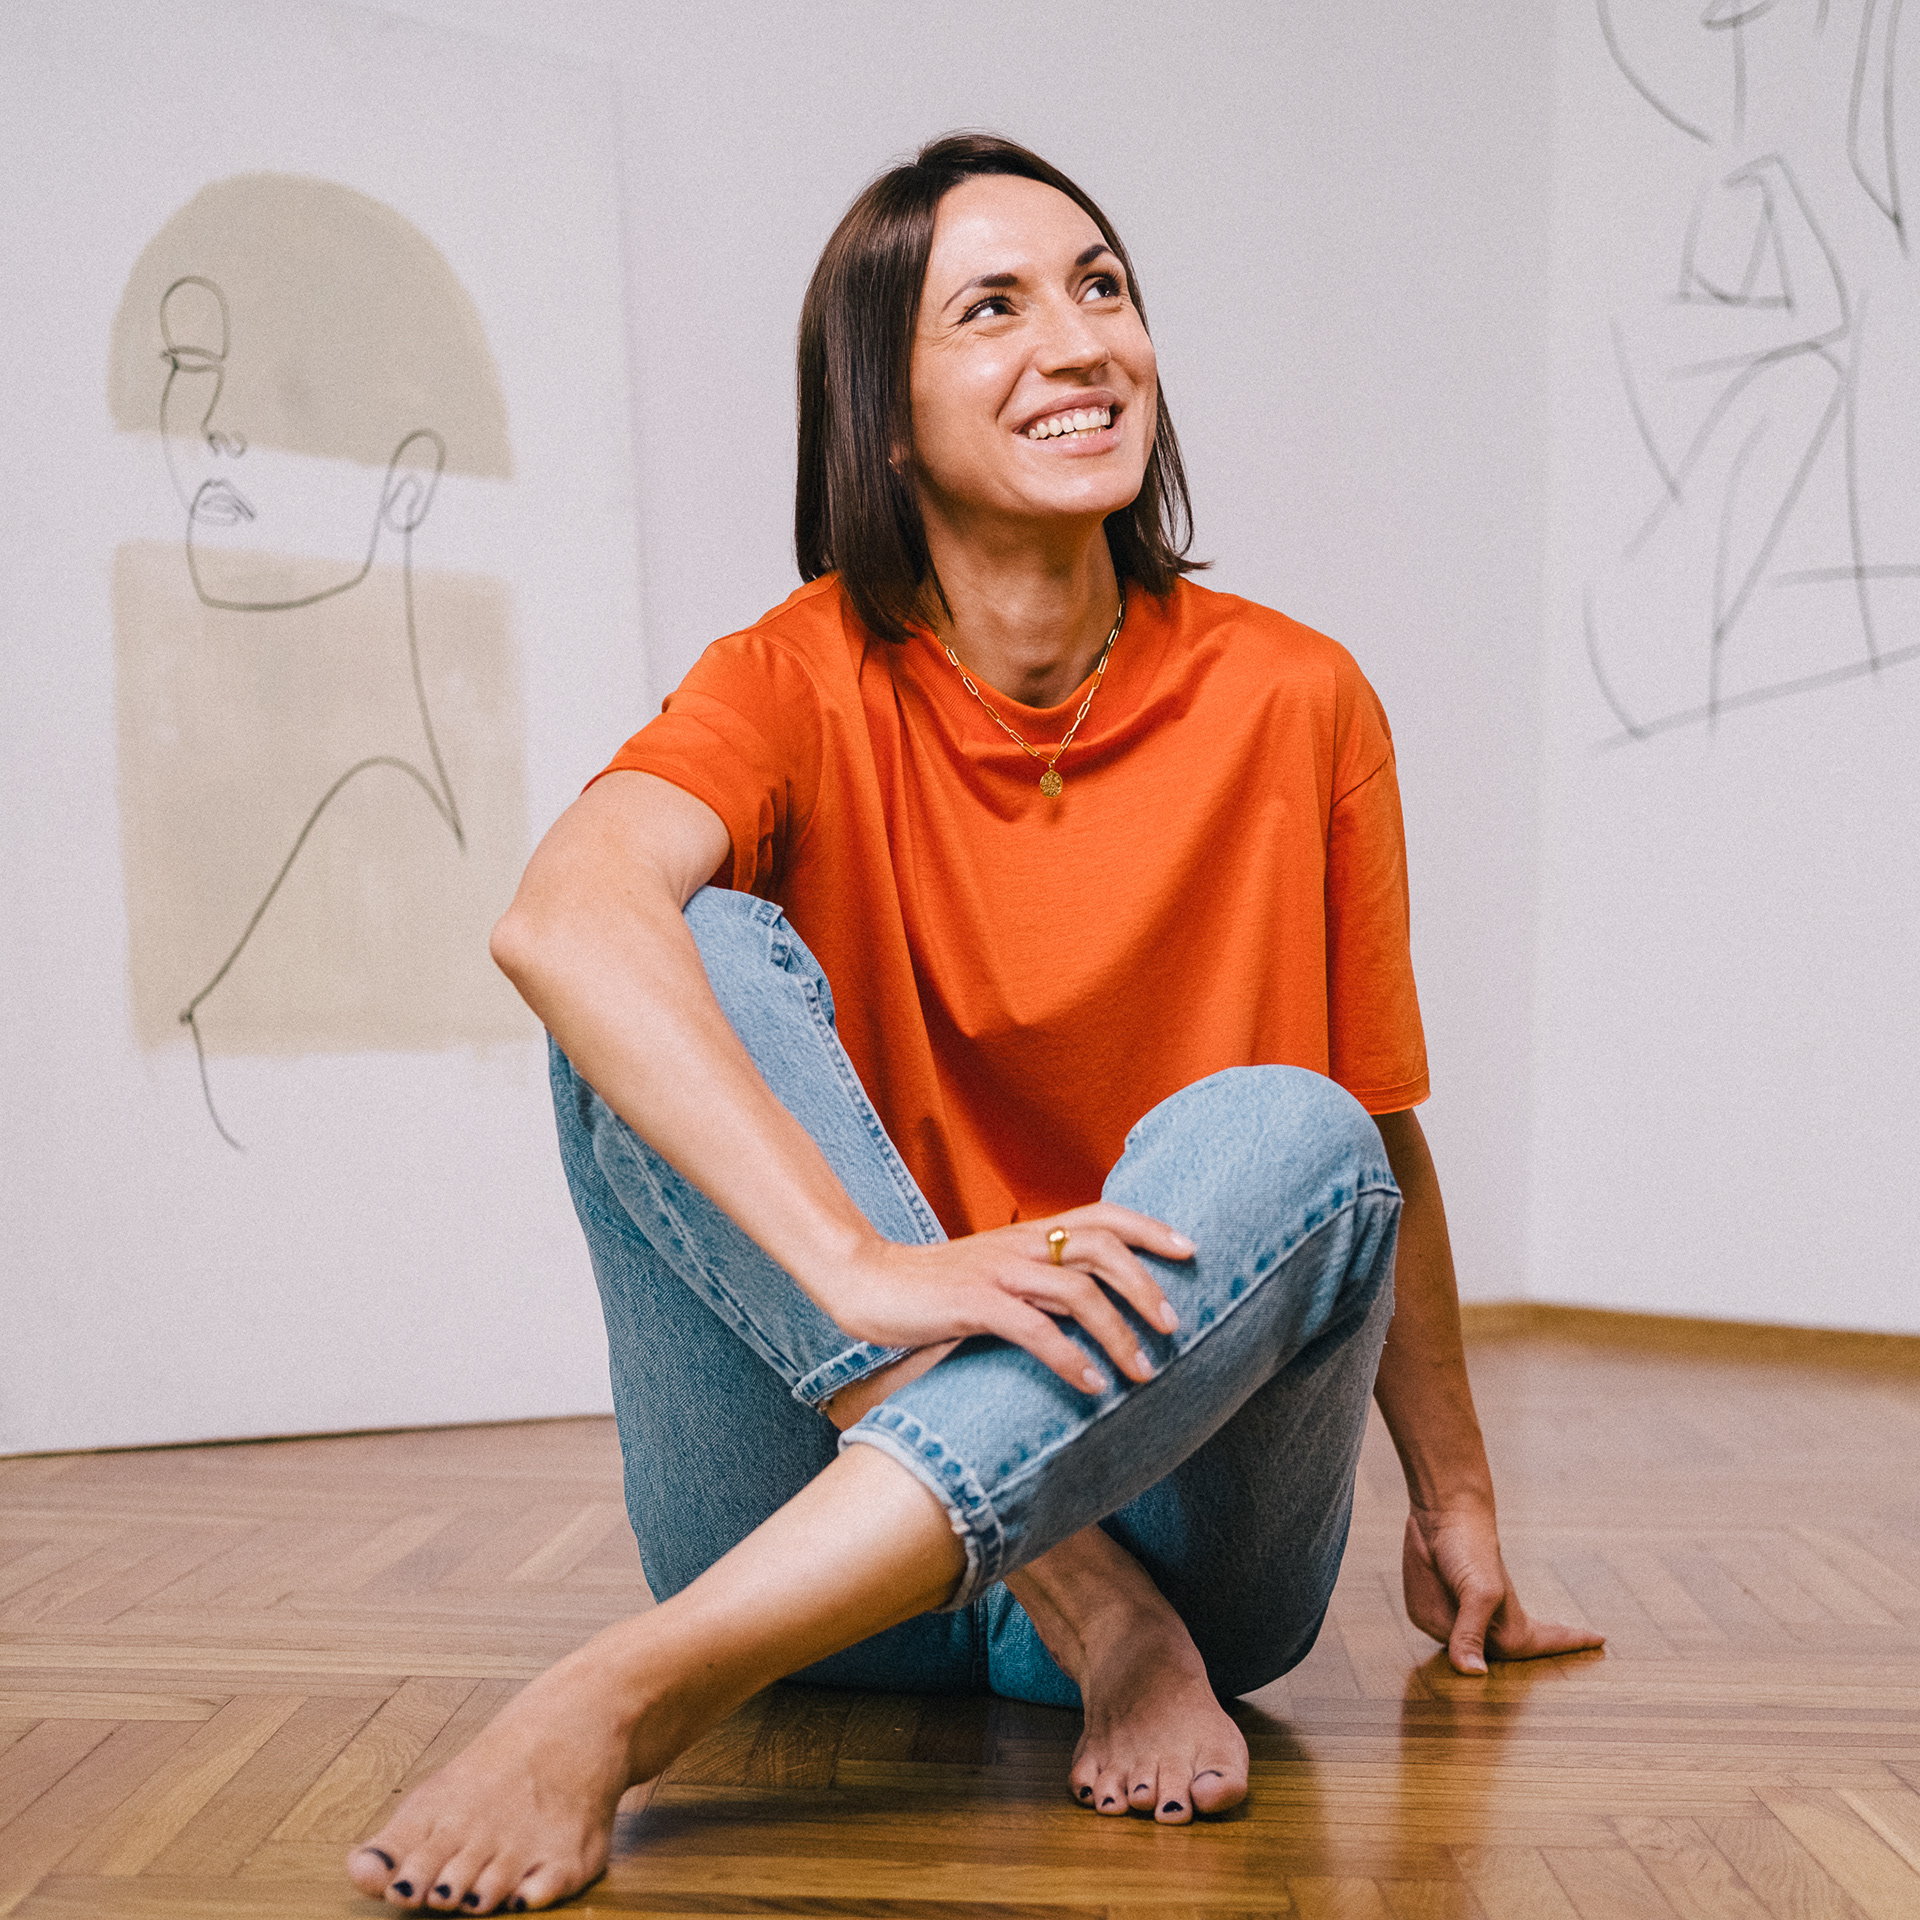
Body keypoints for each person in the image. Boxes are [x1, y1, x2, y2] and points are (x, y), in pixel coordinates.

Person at [347, 133, 1602, 1916]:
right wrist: (862, 1266)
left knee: (1304, 1128)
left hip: (1192, 1527)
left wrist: (1455, 1500)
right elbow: (558, 918)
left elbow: (1378, 1142)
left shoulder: (1299, 697)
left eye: (1102, 288)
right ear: (881, 414)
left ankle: (635, 1686)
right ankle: (1084, 1612)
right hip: (814, 1534)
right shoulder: (793, 676)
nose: (1079, 341)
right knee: (671, 948)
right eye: (994, 308)